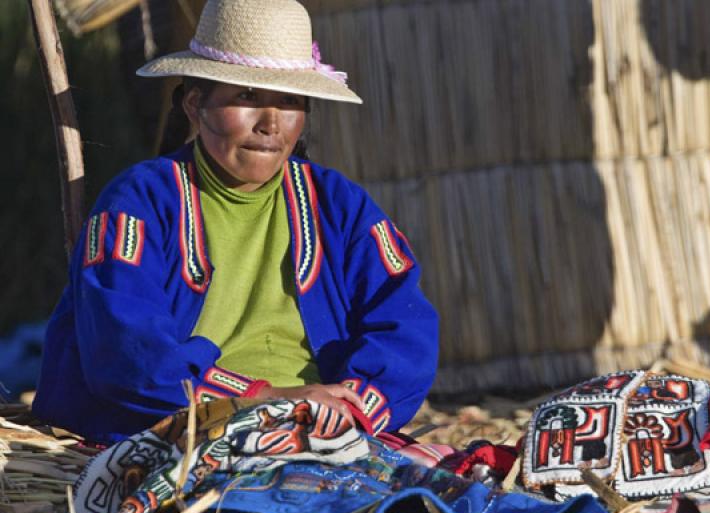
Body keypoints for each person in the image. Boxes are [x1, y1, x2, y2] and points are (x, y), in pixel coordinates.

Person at [32, 0, 438, 445]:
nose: (270, 124)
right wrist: (269, 399)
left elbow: (404, 324)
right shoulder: (140, 203)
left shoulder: (340, 206)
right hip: (185, 430)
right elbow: (126, 353)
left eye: (288, 101)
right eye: (246, 97)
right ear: (195, 105)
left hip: (324, 430)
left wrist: (348, 411)